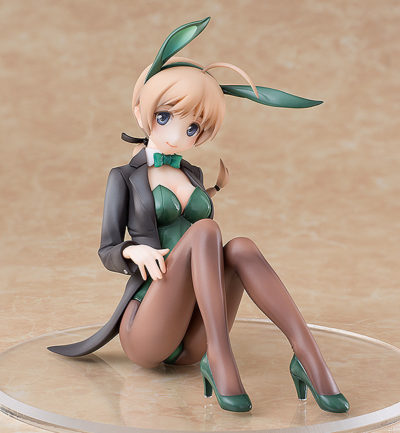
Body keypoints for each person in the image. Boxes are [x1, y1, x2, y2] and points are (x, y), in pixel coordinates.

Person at [48, 17, 349, 414]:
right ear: (141, 110)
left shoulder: (192, 173)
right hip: (148, 323)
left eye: (193, 128)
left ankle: (308, 355)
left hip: (195, 333)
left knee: (241, 248)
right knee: (207, 230)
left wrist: (211, 192)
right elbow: (107, 249)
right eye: (165, 117)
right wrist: (133, 251)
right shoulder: (124, 177)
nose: (178, 135)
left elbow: (197, 240)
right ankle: (221, 357)